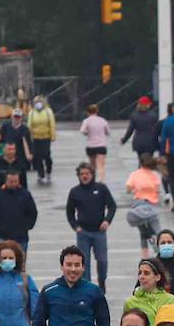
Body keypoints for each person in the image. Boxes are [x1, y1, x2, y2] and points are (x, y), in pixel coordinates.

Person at [66, 161, 118, 292]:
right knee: (84, 262)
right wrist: (75, 226)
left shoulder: (101, 188)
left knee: (102, 260)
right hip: (83, 232)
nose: (84, 176)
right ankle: (87, 287)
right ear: (78, 176)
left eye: (87, 173)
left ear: (92, 174)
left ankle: (102, 280)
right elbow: (69, 212)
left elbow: (112, 206)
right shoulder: (74, 192)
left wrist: (107, 220)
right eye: (82, 174)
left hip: (99, 232)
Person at [125, 258, 174, 326]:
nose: (142, 277)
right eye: (140, 273)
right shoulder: (130, 302)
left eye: (146, 273)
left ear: (158, 277)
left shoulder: (171, 300)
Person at [0, 171, 38, 251]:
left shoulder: (25, 194)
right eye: (11, 182)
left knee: (20, 261)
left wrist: (28, 225)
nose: (14, 184)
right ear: (6, 181)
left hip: (21, 237)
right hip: (3, 236)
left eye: (16, 181)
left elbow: (32, 211)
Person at [125, 153, 163, 259]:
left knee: (142, 232)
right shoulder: (155, 175)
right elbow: (158, 190)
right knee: (157, 229)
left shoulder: (134, 175)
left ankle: (145, 256)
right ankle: (160, 250)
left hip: (138, 205)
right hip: (152, 205)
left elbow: (128, 189)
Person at [27, 96, 57, 184]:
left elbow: (52, 124)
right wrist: (29, 138)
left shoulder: (48, 112)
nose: (38, 104)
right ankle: (41, 174)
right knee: (37, 157)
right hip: (36, 138)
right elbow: (29, 125)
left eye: (39, 102)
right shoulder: (32, 113)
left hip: (46, 137)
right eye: (36, 102)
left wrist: (53, 136)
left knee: (46, 155)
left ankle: (48, 171)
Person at [80, 103, 111, 181]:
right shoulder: (102, 120)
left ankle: (92, 179)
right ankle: (101, 181)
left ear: (87, 112)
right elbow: (108, 132)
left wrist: (88, 133)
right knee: (101, 165)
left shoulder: (86, 121)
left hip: (90, 145)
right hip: (101, 145)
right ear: (97, 111)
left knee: (92, 165)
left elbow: (83, 131)